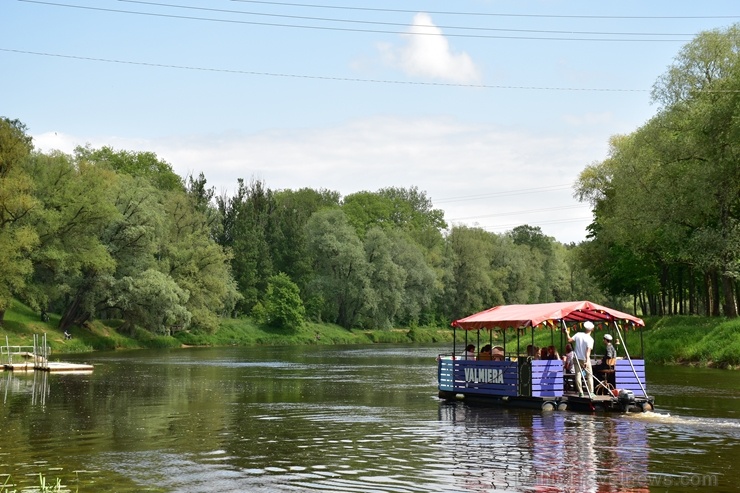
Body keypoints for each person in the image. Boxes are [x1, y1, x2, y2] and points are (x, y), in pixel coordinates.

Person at [565, 321, 595, 397]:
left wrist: (567, 333)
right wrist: (587, 361)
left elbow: (569, 340)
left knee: (578, 375)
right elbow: (588, 353)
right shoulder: (590, 339)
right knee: (589, 375)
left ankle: (580, 392)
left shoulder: (578, 334)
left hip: (577, 358)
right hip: (585, 359)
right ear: (592, 329)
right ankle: (591, 392)